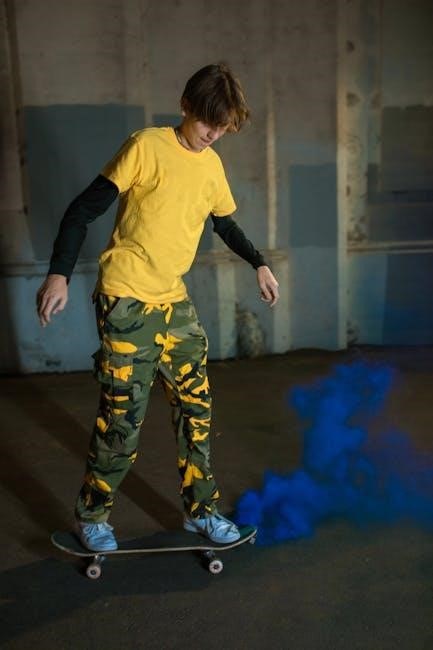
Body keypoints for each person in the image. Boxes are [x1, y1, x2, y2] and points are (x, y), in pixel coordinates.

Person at [36, 62, 279, 552]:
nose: (212, 134)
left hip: (174, 302)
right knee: (122, 419)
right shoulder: (146, 146)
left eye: (222, 127)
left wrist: (259, 262)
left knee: (197, 410)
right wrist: (59, 273)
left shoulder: (211, 165)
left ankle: (201, 511)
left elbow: (224, 224)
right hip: (126, 299)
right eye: (207, 121)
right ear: (185, 106)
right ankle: (92, 516)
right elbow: (82, 210)